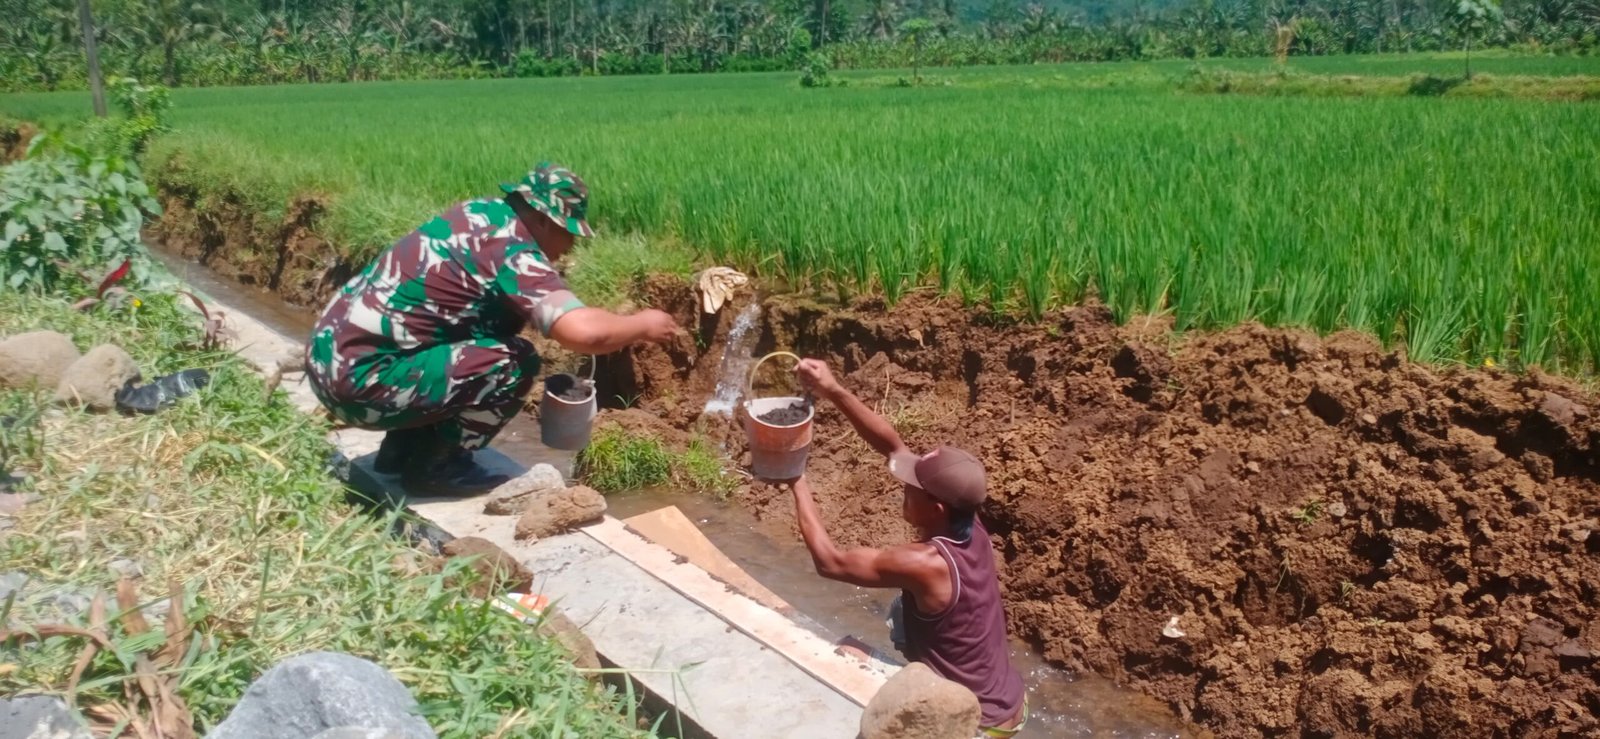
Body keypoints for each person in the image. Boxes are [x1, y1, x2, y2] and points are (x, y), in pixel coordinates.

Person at [305, 163, 679, 491]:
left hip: (329, 361)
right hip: (358, 388)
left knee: (473, 333)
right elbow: (584, 334)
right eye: (568, 233)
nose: (569, 247)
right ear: (543, 220)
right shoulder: (513, 250)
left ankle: (401, 452)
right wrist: (642, 324)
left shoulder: (478, 213)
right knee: (514, 362)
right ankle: (437, 468)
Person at [789, 358, 1028, 736]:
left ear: (936, 509)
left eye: (912, 486)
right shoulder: (970, 521)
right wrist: (832, 389)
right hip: (1010, 703)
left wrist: (795, 478)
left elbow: (830, 563)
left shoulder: (924, 564)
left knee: (848, 654)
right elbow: (894, 449)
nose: (903, 482)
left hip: (973, 723)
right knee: (899, 613)